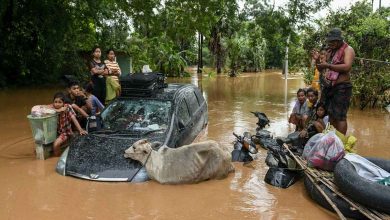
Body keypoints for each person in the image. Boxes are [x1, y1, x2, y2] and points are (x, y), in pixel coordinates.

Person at [312, 28, 355, 135]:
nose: (330, 43)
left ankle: (340, 142)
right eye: (329, 41)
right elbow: (321, 68)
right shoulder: (330, 51)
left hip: (342, 87)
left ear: (339, 40)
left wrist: (328, 65)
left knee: (340, 116)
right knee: (331, 114)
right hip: (329, 87)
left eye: (332, 41)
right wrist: (317, 60)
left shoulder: (348, 49)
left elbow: (347, 67)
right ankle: (331, 139)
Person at [48, 92, 87, 156]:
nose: (57, 104)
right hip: (56, 132)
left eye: (60, 102)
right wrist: (57, 110)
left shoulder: (67, 108)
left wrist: (80, 130)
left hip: (65, 132)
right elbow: (38, 108)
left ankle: (58, 160)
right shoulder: (53, 108)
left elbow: (74, 119)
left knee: (55, 144)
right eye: (56, 102)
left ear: (64, 103)